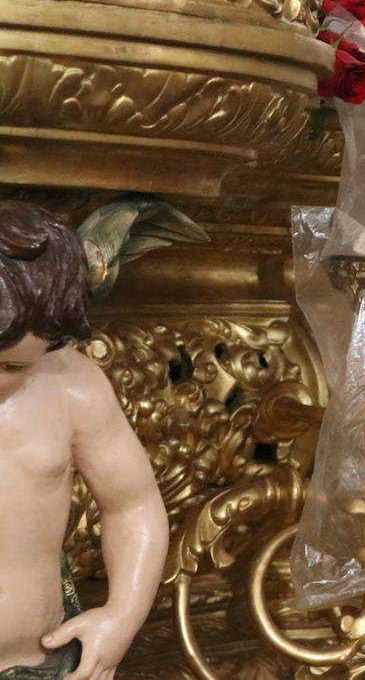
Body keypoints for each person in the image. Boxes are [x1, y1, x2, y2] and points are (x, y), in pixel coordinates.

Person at [0, 203, 168, 680]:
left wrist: (122, 616)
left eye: (13, 367)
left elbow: (132, 505)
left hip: (37, 659)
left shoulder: (72, 388)